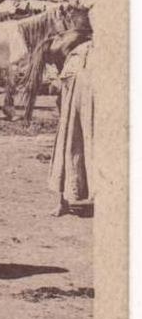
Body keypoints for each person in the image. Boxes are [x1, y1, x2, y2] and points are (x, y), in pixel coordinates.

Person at [48, 37, 95, 216]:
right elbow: (58, 88)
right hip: (71, 117)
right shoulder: (78, 53)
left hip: (93, 118)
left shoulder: (98, 53)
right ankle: (64, 202)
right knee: (67, 152)